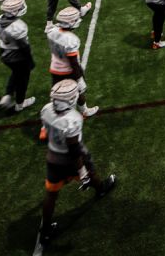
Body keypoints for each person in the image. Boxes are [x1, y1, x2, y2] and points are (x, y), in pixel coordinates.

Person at [36, 79, 117, 249]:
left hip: (53, 158)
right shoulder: (73, 118)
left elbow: (44, 131)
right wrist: (82, 173)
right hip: (70, 159)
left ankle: (45, 232)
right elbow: (74, 149)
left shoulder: (45, 109)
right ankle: (101, 189)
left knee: (51, 195)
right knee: (90, 172)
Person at [45, 7, 99, 118]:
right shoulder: (71, 39)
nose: (78, 20)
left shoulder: (51, 31)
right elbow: (73, 62)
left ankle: (47, 122)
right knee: (78, 92)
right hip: (68, 71)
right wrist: (79, 78)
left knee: (56, 96)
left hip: (55, 68)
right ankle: (84, 111)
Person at [0, 0, 36, 113]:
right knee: (23, 80)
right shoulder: (18, 26)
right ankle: (20, 103)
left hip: (3, 51)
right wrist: (30, 60)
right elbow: (23, 46)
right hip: (16, 55)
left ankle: (8, 95)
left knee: (16, 73)